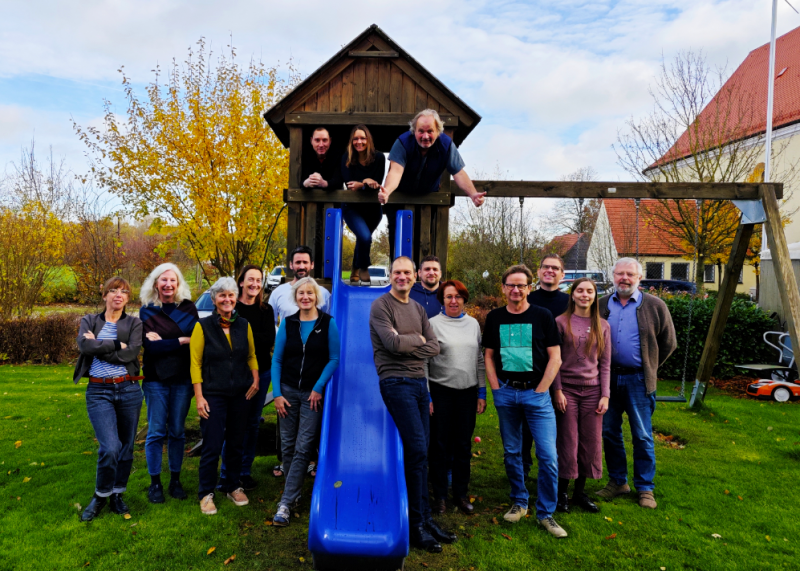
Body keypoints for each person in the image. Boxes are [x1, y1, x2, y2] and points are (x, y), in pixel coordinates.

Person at [369, 256, 455, 553]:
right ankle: (416, 525)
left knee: (423, 451)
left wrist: (411, 342)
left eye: (407, 272)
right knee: (417, 449)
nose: (402, 277)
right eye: (397, 272)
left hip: (420, 385)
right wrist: (416, 341)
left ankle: (425, 519)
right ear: (390, 275)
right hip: (395, 383)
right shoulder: (382, 306)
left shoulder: (418, 309)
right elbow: (391, 346)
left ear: (415, 276)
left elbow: (435, 347)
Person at [482, 264, 567, 538]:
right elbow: (488, 356)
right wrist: (496, 389)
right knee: (512, 452)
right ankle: (519, 501)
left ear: (529, 287)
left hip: (537, 394)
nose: (516, 290)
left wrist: (542, 389)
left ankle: (546, 513)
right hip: (506, 393)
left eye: (521, 285)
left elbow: (556, 357)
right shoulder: (494, 317)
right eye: (511, 285)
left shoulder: (542, 316)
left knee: (548, 456)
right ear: (504, 288)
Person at [597, 258, 676, 509]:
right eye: (619, 273)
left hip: (639, 380)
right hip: (606, 379)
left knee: (642, 434)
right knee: (609, 432)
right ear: (613, 276)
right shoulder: (599, 306)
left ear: (639, 278)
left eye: (630, 274)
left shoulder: (655, 305)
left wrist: (649, 367)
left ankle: (645, 488)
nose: (624, 278)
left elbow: (668, 343)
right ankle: (618, 482)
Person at [271, 277, 340, 526]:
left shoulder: (327, 323)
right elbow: (277, 360)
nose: (306, 297)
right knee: (288, 446)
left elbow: (334, 358)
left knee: (303, 447)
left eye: (310, 293)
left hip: (312, 396)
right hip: (287, 393)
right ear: (296, 297)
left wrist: (319, 387)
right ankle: (294, 494)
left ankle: (286, 504)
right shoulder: (287, 324)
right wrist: (277, 394)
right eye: (301, 293)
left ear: (316, 296)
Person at [74, 277, 143, 522]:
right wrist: (115, 343)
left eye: (124, 291)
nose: (118, 295)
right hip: (99, 391)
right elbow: (84, 347)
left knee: (126, 448)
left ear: (127, 298)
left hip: (128, 390)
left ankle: (117, 493)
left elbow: (131, 353)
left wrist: (99, 345)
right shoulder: (90, 320)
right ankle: (100, 494)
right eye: (113, 290)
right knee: (110, 447)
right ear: (104, 295)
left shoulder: (134, 323)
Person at [190, 277, 261, 515]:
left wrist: (256, 378)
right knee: (212, 444)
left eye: (231, 295)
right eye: (222, 295)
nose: (227, 299)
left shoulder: (244, 325)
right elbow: (195, 364)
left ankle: (232, 486)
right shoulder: (203, 326)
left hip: (240, 394)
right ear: (214, 299)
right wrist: (199, 397)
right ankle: (206, 493)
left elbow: (251, 355)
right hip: (213, 395)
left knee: (235, 443)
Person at [378, 109, 486, 259]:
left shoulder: (446, 145)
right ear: (414, 130)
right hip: (400, 196)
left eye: (430, 131)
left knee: (424, 237)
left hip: (427, 199)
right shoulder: (402, 142)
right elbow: (396, 172)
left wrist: (473, 194)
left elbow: (459, 173)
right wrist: (387, 191)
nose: (425, 136)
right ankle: (397, 272)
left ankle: (421, 275)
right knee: (397, 236)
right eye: (420, 131)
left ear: (438, 131)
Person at [268, 245, 331, 478]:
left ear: (312, 265)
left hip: (314, 363)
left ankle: (311, 460)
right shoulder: (279, 292)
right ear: (291, 265)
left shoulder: (323, 294)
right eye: (298, 262)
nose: (302, 266)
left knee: (311, 417)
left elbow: (329, 324)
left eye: (306, 262)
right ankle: (286, 462)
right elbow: (271, 319)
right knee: (286, 415)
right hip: (288, 361)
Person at [139, 263, 199, 504]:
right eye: (163, 280)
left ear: (178, 283)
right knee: (155, 432)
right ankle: (155, 483)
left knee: (176, 431)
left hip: (183, 379)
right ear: (155, 284)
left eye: (172, 280)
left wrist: (168, 340)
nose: (168, 284)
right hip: (156, 379)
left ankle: (175, 480)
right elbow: (151, 347)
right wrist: (181, 339)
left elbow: (196, 341)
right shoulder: (147, 310)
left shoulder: (189, 308)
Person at [426, 280, 486, 515]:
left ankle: (461, 494)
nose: (454, 301)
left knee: (462, 445)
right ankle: (440, 496)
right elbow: (424, 363)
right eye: (449, 296)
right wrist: (428, 395)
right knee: (439, 445)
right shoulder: (431, 325)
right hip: (441, 393)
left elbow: (479, 359)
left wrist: (481, 392)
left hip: (467, 394)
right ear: (442, 299)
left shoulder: (472, 324)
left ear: (464, 299)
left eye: (458, 296)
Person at [552, 278, 611, 515]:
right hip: (567, 390)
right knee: (568, 441)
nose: (585, 295)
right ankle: (562, 493)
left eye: (590, 291)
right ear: (572, 294)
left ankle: (580, 493)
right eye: (580, 290)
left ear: (595, 296)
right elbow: (553, 360)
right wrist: (557, 390)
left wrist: (605, 395)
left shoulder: (603, 325)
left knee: (590, 442)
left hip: (593, 392)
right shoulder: (560, 322)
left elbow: (605, 363)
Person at [218, 265, 276, 492]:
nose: (254, 284)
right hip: (235, 375)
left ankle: (244, 472)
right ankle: (226, 473)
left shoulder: (266, 309)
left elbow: (267, 340)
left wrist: (242, 335)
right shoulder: (231, 306)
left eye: (258, 280)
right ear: (241, 282)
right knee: (233, 424)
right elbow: (226, 340)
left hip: (261, 373)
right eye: (250, 279)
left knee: (252, 423)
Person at [523, 253, 569, 478]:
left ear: (562, 274)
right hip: (529, 373)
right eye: (546, 267)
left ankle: (554, 476)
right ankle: (521, 472)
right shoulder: (526, 298)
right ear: (539, 271)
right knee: (524, 430)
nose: (550, 271)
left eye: (555, 268)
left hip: (562, 375)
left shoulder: (569, 302)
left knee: (558, 431)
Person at [341, 124, 385, 285]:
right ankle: (364, 267)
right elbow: (350, 185)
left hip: (373, 210)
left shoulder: (379, 158)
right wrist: (365, 182)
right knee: (365, 237)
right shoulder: (347, 157)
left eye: (362, 138)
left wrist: (365, 183)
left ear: (368, 140)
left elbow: (377, 183)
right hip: (352, 208)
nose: (359, 142)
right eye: (355, 139)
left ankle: (354, 268)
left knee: (362, 239)